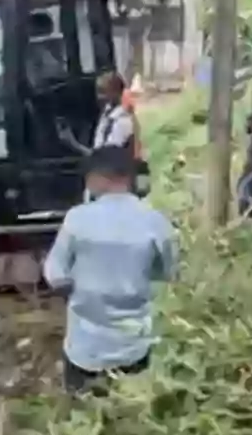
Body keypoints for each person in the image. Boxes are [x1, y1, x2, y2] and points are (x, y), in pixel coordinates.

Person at [43, 145, 178, 395]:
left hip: (86, 348)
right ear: (130, 177)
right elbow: (167, 273)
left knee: (83, 417)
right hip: (134, 346)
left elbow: (54, 274)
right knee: (132, 415)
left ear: (95, 178)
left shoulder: (76, 218)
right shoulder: (156, 222)